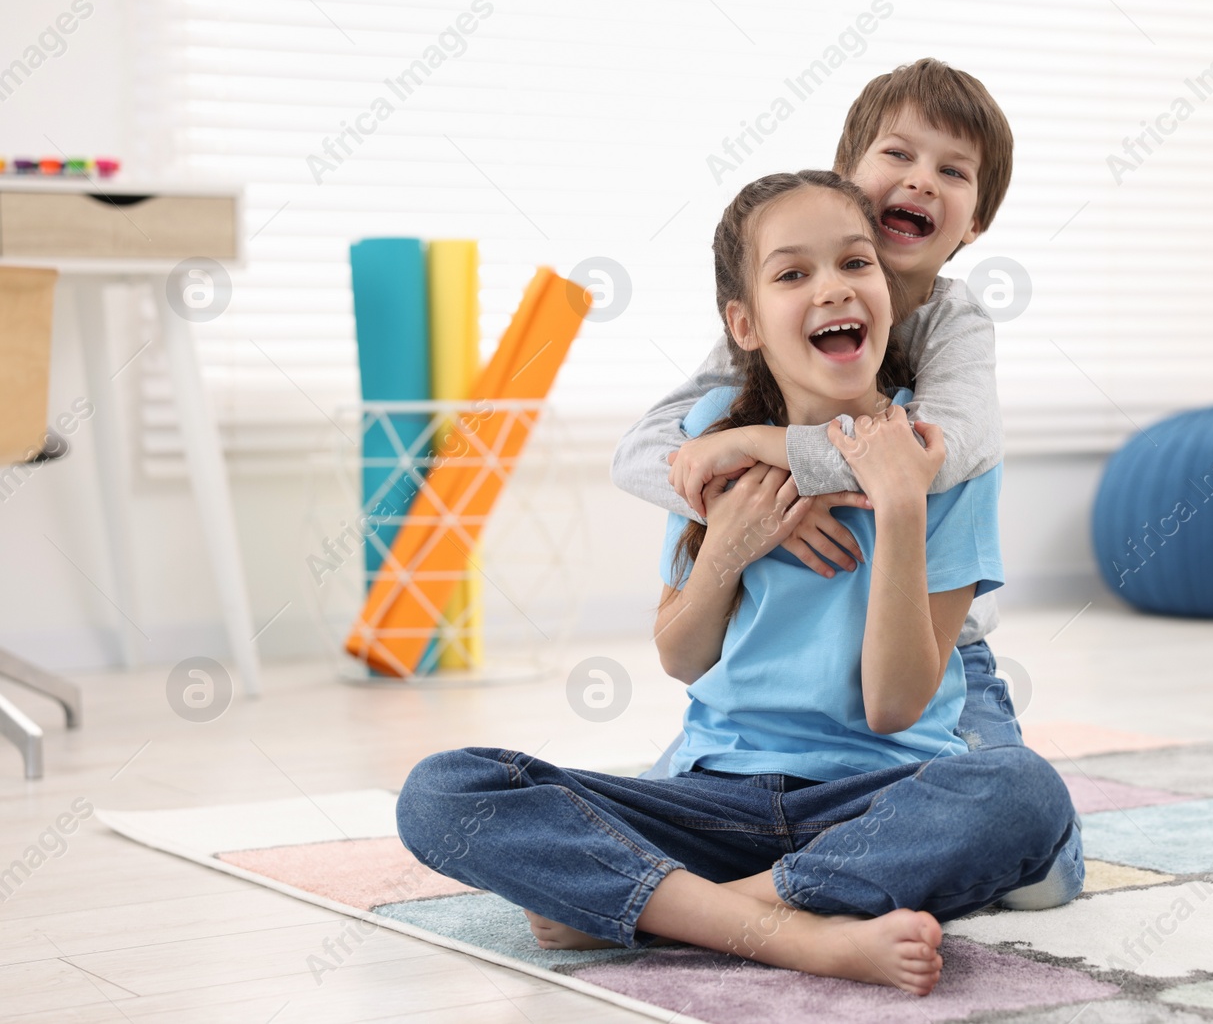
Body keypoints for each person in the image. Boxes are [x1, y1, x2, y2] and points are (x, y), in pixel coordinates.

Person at [396, 171, 1075, 996]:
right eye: (793, 273)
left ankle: (695, 912)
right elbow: (682, 657)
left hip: (875, 800)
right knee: (443, 789)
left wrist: (898, 505)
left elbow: (896, 705)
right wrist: (728, 546)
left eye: (855, 263)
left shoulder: (940, 461)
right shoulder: (712, 442)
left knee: (1021, 791)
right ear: (744, 324)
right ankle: (807, 935)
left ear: (887, 292)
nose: (831, 287)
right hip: (716, 799)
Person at [612, 58, 1083, 909]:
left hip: (944, 654)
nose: (921, 180)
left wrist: (777, 450)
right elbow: (658, 453)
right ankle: (771, 882)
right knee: (491, 794)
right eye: (899, 155)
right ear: (849, 179)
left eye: (952, 171)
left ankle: (725, 896)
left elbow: (939, 449)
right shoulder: (755, 338)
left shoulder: (954, 328)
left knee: (1032, 839)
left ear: (976, 221)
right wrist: (745, 508)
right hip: (753, 736)